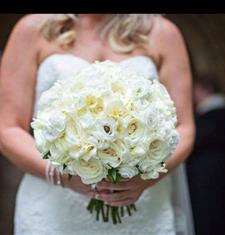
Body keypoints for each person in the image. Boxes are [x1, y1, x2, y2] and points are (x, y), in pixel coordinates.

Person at [0, 14, 195, 235]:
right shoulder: (33, 29)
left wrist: (145, 178)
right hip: (54, 212)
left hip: (143, 208)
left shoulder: (162, 33)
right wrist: (62, 175)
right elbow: (8, 129)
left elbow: (184, 129)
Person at [186, 74, 225, 235]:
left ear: (204, 89)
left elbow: (197, 139)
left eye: (195, 89)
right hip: (213, 175)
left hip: (211, 177)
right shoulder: (217, 113)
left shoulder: (215, 114)